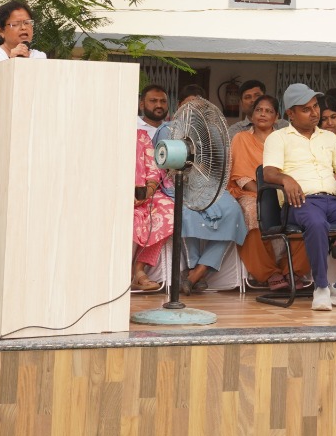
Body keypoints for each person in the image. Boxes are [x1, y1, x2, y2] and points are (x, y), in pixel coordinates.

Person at [264, 83, 336, 310]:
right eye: (306, 109)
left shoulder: (329, 138)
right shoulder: (278, 137)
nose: (314, 113)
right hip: (301, 202)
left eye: (315, 106)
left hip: (332, 200)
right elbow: (269, 172)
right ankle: (321, 287)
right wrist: (286, 179)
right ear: (291, 114)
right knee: (317, 223)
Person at [158, 91, 248, 294]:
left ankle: (197, 273)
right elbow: (164, 164)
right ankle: (194, 269)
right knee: (187, 212)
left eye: (198, 106)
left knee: (233, 211)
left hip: (209, 184)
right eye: (188, 105)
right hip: (177, 184)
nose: (193, 110)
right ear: (179, 107)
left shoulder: (211, 132)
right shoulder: (167, 130)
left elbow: (218, 164)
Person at [229, 93, 311, 291]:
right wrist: (265, 196)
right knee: (252, 212)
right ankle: (269, 273)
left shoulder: (287, 140)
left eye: (268, 111)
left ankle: (293, 270)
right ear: (252, 115)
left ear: (276, 117)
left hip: (286, 193)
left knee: (309, 213)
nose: (263, 114)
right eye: (258, 110)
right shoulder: (241, 138)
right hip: (252, 193)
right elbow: (240, 175)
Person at [132, 105, 174, 293]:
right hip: (111, 196)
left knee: (168, 210)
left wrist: (147, 192)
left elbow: (153, 170)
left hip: (143, 194)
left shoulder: (141, 136)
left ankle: (139, 269)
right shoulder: (104, 137)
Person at [0, 0, 48, 70]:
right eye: (15, 24)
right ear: (1, 31)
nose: (23, 27)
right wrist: (10, 62)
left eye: (27, 23)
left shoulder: (39, 58)